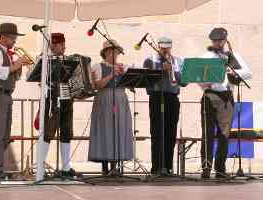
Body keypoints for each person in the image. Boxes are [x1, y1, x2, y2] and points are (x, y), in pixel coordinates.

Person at [200, 27, 252, 179]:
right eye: (215, 41)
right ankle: (206, 168)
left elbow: (248, 73)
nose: (217, 43)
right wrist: (204, 83)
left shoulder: (232, 56)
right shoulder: (206, 56)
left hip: (226, 96)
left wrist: (234, 72)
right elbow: (196, 75)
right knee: (207, 133)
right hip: (210, 95)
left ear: (225, 40)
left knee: (224, 134)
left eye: (220, 40)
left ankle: (220, 169)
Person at [0, 22, 31, 183]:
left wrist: (19, 67)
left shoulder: (8, 54)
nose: (15, 41)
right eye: (12, 38)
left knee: (4, 136)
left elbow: (13, 76)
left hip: (5, 96)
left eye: (15, 37)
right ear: (2, 37)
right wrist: (16, 64)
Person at [88, 39, 133, 175]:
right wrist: (111, 75)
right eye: (112, 52)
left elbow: (131, 85)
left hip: (120, 99)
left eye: (116, 52)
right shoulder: (98, 67)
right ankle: (104, 166)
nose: (114, 54)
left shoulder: (123, 66)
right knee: (105, 129)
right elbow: (97, 86)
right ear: (106, 52)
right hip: (104, 99)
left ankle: (116, 165)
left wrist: (128, 77)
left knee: (119, 129)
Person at [37, 33, 77, 179]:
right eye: (61, 45)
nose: (64, 47)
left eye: (64, 44)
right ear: (53, 45)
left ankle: (66, 168)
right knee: (48, 133)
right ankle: (40, 167)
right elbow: (39, 79)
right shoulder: (44, 58)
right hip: (51, 99)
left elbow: (72, 78)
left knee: (66, 133)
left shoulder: (68, 60)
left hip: (67, 99)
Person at [143, 36, 185, 175]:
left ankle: (167, 167)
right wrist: (162, 70)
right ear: (158, 47)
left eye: (167, 47)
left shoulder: (178, 61)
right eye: (162, 48)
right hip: (156, 97)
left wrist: (173, 70)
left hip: (172, 97)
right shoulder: (150, 60)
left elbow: (184, 82)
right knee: (156, 132)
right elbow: (147, 82)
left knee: (170, 133)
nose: (165, 50)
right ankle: (156, 167)